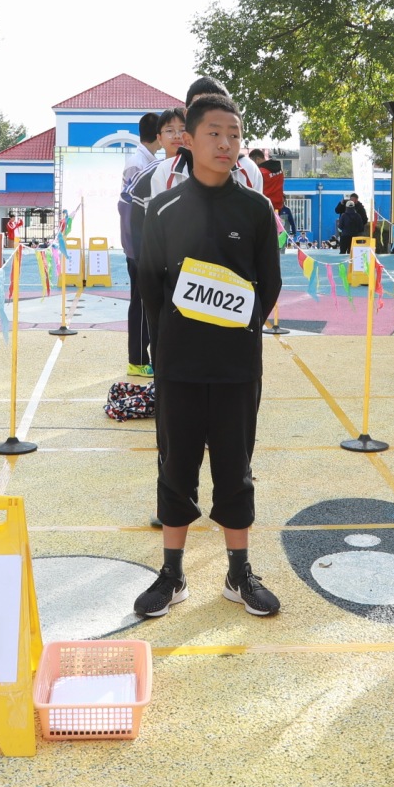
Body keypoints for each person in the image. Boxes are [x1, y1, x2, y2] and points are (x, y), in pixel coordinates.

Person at [131, 93, 284, 620]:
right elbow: (149, 284)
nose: (226, 143)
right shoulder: (163, 208)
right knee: (175, 467)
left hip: (238, 367)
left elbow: (269, 284)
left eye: (234, 134)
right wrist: (170, 339)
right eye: (214, 133)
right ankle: (171, 575)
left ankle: (239, 573)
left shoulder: (257, 208)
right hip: (179, 366)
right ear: (187, 140)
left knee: (236, 469)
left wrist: (238, 331)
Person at [119, 110, 161, 375]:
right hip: (137, 242)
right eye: (170, 131)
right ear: (159, 135)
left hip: (140, 241)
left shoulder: (146, 160)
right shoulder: (139, 164)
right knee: (141, 302)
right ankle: (137, 359)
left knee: (144, 301)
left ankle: (141, 358)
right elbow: (130, 209)